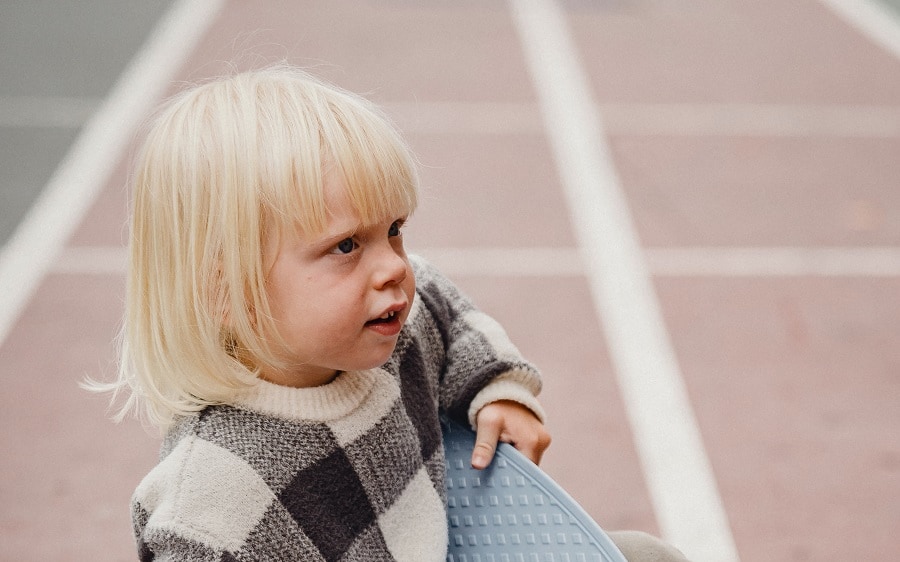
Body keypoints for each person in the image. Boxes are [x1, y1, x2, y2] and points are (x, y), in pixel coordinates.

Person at [93, 65, 686, 561]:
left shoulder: (392, 321)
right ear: (225, 290)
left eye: (394, 230)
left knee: (645, 555)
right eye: (346, 246)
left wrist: (499, 389)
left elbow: (451, 316)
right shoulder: (211, 505)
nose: (394, 268)